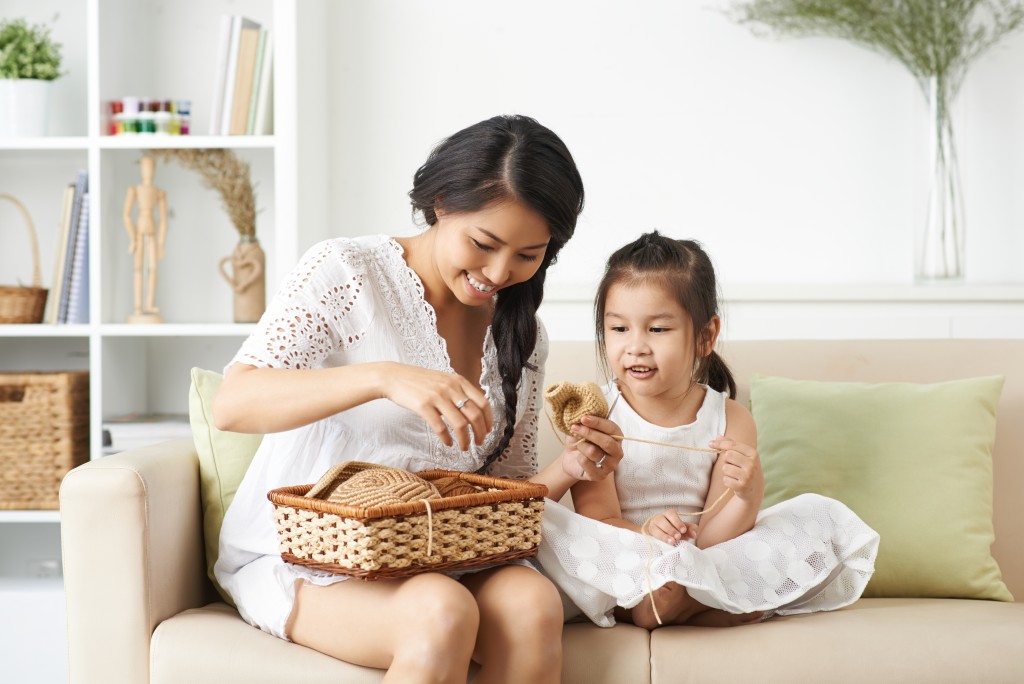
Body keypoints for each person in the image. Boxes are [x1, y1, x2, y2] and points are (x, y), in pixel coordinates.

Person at [212, 114, 624, 684]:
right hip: (308, 553)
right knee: (441, 610)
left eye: (528, 255)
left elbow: (501, 489)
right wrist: (384, 376)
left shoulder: (523, 336)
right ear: (439, 203)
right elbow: (234, 402)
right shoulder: (348, 271)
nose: (499, 273)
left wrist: (575, 466)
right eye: (484, 243)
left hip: (442, 550)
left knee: (533, 603)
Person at [537, 231, 880, 629]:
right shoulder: (597, 412)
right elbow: (599, 521)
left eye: (658, 329)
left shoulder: (730, 418)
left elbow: (718, 538)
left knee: (816, 517)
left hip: (705, 554)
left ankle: (685, 598)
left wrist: (747, 496)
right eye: (619, 329)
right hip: (623, 557)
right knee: (545, 518)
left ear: (705, 336)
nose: (636, 347)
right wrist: (646, 532)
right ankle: (699, 603)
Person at [122, 155, 167, 323]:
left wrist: (161, 243)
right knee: (139, 268)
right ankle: (138, 305)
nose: (148, 171)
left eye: (151, 167)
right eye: (145, 167)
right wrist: (132, 237)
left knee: (152, 267)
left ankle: (149, 304)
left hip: (152, 230)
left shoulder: (159, 192)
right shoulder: (135, 190)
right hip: (140, 229)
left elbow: (163, 220)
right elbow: (126, 215)